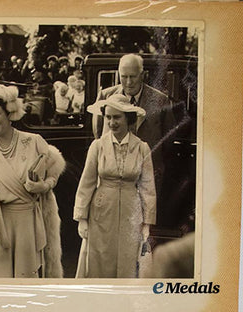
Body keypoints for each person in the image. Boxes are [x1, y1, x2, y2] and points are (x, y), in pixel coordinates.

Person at [0, 84, 65, 278]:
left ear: (9, 113)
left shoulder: (34, 141)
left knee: (27, 283)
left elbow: (55, 170)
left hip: (28, 222)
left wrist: (44, 186)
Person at [74, 94, 156, 278]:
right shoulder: (98, 146)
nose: (112, 122)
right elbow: (86, 183)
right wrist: (82, 218)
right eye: (108, 117)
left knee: (128, 256)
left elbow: (147, 188)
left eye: (117, 117)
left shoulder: (142, 148)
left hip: (131, 210)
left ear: (128, 119)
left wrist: (147, 223)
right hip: (102, 210)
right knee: (100, 256)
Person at [93, 53, 176, 208]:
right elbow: (98, 132)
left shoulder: (160, 100)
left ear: (143, 75)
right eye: (124, 77)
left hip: (148, 175)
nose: (129, 82)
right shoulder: (105, 96)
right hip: (114, 177)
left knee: (142, 223)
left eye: (133, 76)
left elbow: (168, 139)